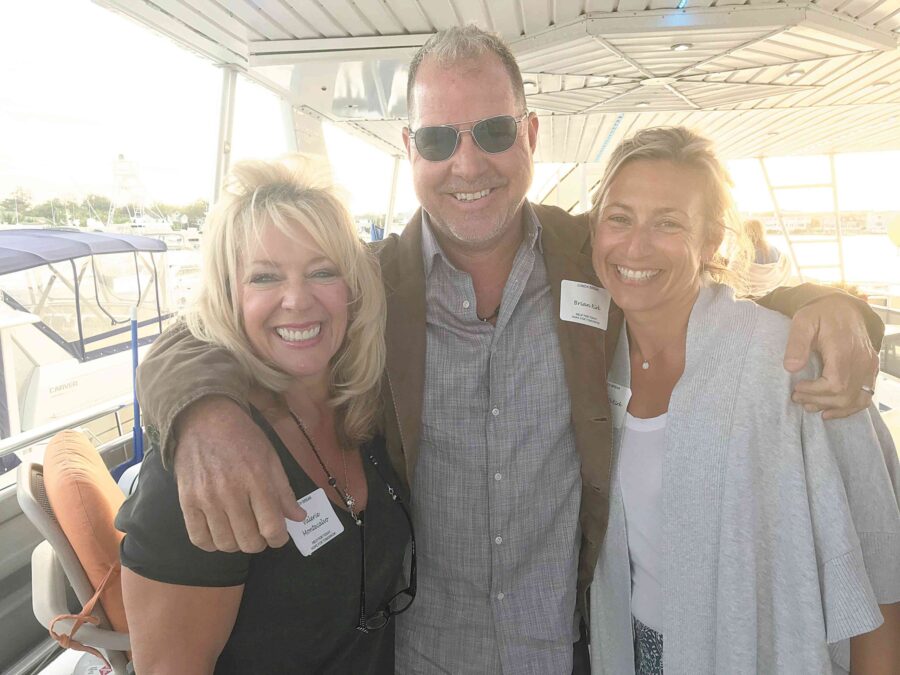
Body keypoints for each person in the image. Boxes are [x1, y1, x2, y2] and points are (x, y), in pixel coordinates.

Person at [134, 27, 884, 673]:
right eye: (437, 139)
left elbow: (691, 281)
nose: (468, 164)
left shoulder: (590, 255)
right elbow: (226, 322)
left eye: (492, 132)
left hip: (568, 652)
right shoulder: (368, 286)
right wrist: (201, 409)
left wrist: (828, 308)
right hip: (424, 656)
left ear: (529, 136)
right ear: (411, 149)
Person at [588, 127, 899, 674]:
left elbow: (880, 558)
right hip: (632, 652)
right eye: (619, 217)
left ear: (711, 241)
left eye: (668, 222)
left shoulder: (788, 358)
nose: (635, 246)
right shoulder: (591, 363)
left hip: (757, 651)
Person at [116, 157, 413, 673]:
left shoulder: (363, 409)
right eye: (264, 277)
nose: (297, 300)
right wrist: (206, 415)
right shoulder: (208, 461)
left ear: (353, 288)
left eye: (322, 272)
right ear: (230, 298)